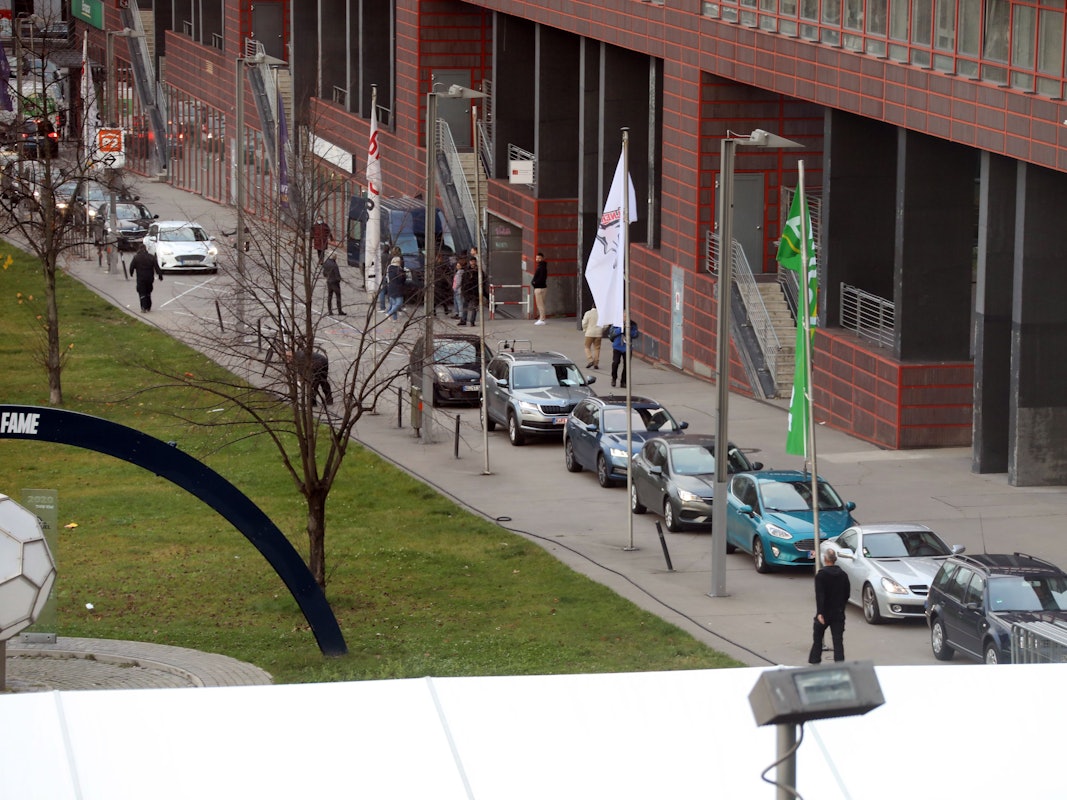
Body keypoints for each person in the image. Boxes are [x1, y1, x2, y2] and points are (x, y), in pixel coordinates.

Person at [808, 548, 851, 664]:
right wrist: (841, 607)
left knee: (817, 638)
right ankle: (840, 664)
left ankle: (815, 660)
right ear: (835, 560)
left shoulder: (821, 575)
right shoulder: (843, 575)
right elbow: (847, 594)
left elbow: (820, 595)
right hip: (838, 612)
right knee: (838, 641)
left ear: (825, 559)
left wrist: (820, 613)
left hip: (825, 612)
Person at [128, 243, 163, 312]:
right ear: (146, 249)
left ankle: (143, 307)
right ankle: (148, 306)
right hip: (150, 278)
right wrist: (160, 275)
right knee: (148, 292)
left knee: (142, 292)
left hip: (141, 278)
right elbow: (156, 267)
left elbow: (131, 267)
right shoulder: (151, 257)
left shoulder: (136, 257)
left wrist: (131, 273)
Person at [608, 320, 639, 388]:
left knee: (626, 365)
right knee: (615, 363)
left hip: (627, 347)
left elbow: (635, 334)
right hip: (617, 346)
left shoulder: (632, 324)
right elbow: (612, 333)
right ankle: (614, 378)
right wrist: (622, 328)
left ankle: (623, 381)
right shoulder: (616, 323)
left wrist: (628, 329)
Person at [460, 256, 487, 327]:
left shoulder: (479, 271)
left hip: (475, 291)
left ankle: (472, 321)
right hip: (467, 291)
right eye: (471, 261)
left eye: (473, 261)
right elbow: (463, 281)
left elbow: (483, 281)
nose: (472, 263)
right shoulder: (466, 270)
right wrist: (463, 290)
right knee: (465, 306)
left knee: (474, 307)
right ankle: (463, 320)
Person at [385, 253, 406, 326]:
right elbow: (402, 280)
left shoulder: (389, 267)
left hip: (390, 286)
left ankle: (395, 318)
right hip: (398, 288)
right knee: (399, 303)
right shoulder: (399, 270)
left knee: (393, 303)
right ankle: (389, 313)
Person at [531, 251, 548, 325]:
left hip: (539, 288)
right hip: (543, 287)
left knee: (540, 304)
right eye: (537, 258)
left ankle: (542, 319)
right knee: (542, 304)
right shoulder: (543, 267)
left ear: (542, 258)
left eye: (539, 258)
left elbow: (540, 278)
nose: (537, 259)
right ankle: (542, 318)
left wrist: (534, 283)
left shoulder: (541, 267)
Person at [452, 252, 468, 323]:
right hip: (456, 289)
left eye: (458, 265)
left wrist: (455, 288)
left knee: (459, 301)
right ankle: (457, 313)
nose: (457, 265)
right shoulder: (459, 272)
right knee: (456, 301)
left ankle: (460, 314)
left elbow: (458, 282)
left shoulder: (460, 273)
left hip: (458, 290)